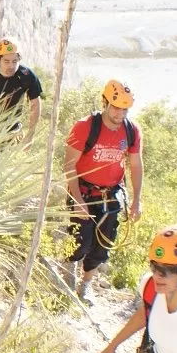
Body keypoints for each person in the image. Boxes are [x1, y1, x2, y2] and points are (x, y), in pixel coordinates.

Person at [64, 79, 144, 300]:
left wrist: (137, 200)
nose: (120, 113)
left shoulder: (131, 131)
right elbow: (69, 165)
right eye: (116, 107)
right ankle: (68, 274)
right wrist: (78, 200)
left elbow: (136, 165)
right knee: (80, 239)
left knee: (103, 245)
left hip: (111, 193)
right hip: (84, 190)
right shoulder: (86, 126)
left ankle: (86, 283)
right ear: (105, 103)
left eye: (125, 109)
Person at [0, 37, 44, 141]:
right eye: (6, 61)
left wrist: (30, 134)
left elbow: (35, 103)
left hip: (11, 132)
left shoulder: (26, 76)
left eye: (15, 61)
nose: (11, 66)